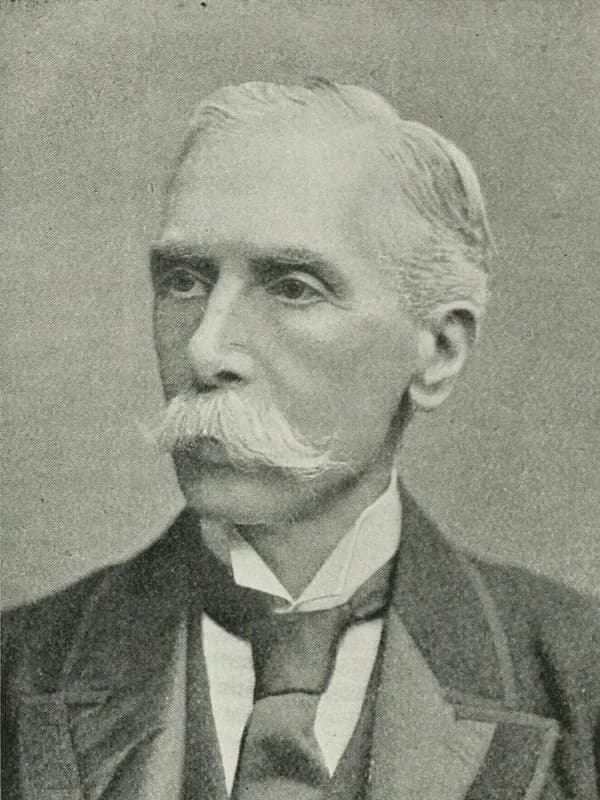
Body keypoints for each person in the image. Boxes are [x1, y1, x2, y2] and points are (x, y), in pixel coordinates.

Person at [2, 79, 598, 800]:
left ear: (439, 351)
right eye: (184, 281)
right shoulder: (20, 671)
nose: (205, 349)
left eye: (292, 287)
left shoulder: (577, 676)